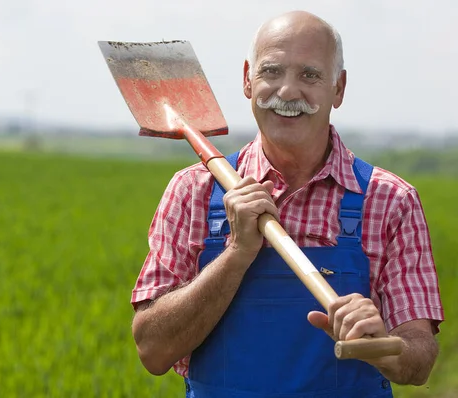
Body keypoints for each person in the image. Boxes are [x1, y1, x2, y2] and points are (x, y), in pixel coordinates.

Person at [130, 10, 444, 397]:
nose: (288, 92)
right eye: (272, 72)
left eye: (310, 75)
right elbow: (152, 351)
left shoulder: (391, 201)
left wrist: (382, 345)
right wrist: (237, 253)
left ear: (339, 88)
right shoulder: (192, 192)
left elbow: (419, 358)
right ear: (248, 78)